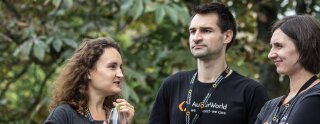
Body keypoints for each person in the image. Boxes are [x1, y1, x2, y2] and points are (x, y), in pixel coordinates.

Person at [149, 2, 268, 124]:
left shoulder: (251, 92)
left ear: (227, 36)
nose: (196, 37)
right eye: (192, 31)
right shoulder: (173, 85)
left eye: (206, 30)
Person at [44, 37, 134, 124]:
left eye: (120, 67)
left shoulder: (117, 115)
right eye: (112, 66)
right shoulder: (64, 114)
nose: (120, 74)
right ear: (88, 72)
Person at [255, 15, 320, 124]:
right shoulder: (270, 106)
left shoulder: (315, 98)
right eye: (271, 46)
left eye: (279, 46)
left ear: (303, 46)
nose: (270, 55)